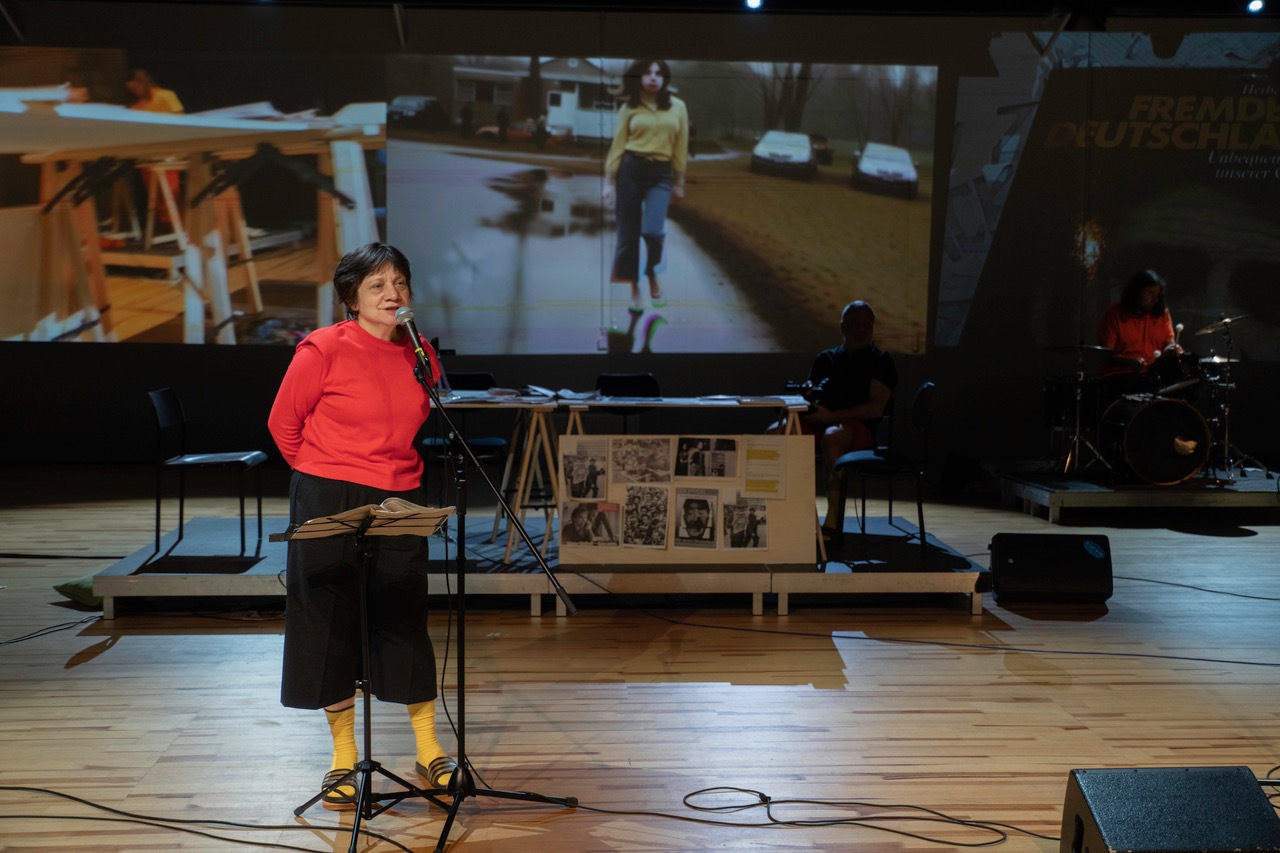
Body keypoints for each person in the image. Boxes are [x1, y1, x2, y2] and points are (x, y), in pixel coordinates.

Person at [267, 242, 457, 810]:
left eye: (399, 282)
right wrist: (324, 474)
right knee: (329, 617)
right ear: (351, 296)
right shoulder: (321, 348)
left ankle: (428, 749)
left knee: (402, 611)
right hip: (327, 490)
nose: (392, 293)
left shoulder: (421, 353)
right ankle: (342, 759)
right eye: (376, 285)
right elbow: (284, 425)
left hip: (399, 491)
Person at [771, 300, 897, 538]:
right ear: (842, 327)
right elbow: (814, 402)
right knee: (774, 433)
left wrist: (831, 416)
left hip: (858, 430)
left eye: (866, 324)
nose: (861, 330)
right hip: (824, 422)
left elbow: (875, 409)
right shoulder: (825, 359)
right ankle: (780, 512)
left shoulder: (882, 361)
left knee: (832, 437)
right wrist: (811, 396)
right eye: (854, 324)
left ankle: (832, 521)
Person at [603, 58, 689, 312]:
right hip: (630, 171)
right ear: (639, 77)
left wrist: (679, 182)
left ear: (665, 79)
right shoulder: (628, 108)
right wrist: (609, 181)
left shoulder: (678, 107)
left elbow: (681, 147)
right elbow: (617, 146)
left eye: (658, 73)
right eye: (647, 73)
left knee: (653, 230)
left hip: (660, 175)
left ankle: (651, 271)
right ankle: (634, 288)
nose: (653, 77)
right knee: (627, 236)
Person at [1096, 269, 1181, 376]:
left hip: (1154, 375)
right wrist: (1129, 362)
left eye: (1157, 294)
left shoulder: (1162, 314)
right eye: (1150, 293)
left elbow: (1170, 344)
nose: (1155, 300)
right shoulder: (1114, 314)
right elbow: (1105, 355)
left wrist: (1173, 350)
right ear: (1136, 292)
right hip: (1120, 377)